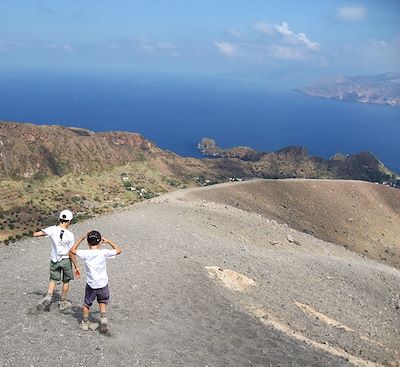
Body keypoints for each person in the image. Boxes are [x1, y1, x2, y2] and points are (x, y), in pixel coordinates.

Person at [70, 230, 122, 333]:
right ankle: (103, 319)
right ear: (99, 242)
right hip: (103, 284)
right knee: (102, 301)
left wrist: (81, 238)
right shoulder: (104, 252)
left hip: (91, 284)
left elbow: (72, 250)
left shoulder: (85, 253)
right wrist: (109, 241)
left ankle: (85, 323)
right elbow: (118, 250)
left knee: (86, 304)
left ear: (88, 242)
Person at [33, 209, 81, 311]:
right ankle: (62, 302)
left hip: (54, 260)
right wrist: (76, 266)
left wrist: (42, 232)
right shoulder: (70, 235)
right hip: (66, 260)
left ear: (59, 219)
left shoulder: (52, 229)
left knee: (53, 279)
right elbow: (71, 252)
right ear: (69, 221)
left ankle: (48, 296)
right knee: (66, 281)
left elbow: (36, 234)